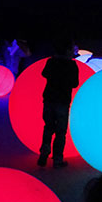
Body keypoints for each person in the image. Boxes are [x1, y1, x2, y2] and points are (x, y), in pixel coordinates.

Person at [38, 37, 80, 168]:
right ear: (68, 50)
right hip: (63, 101)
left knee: (48, 127)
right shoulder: (72, 65)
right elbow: (75, 83)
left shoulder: (51, 62)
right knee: (61, 131)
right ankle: (57, 159)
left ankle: (44, 152)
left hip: (49, 99)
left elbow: (44, 74)